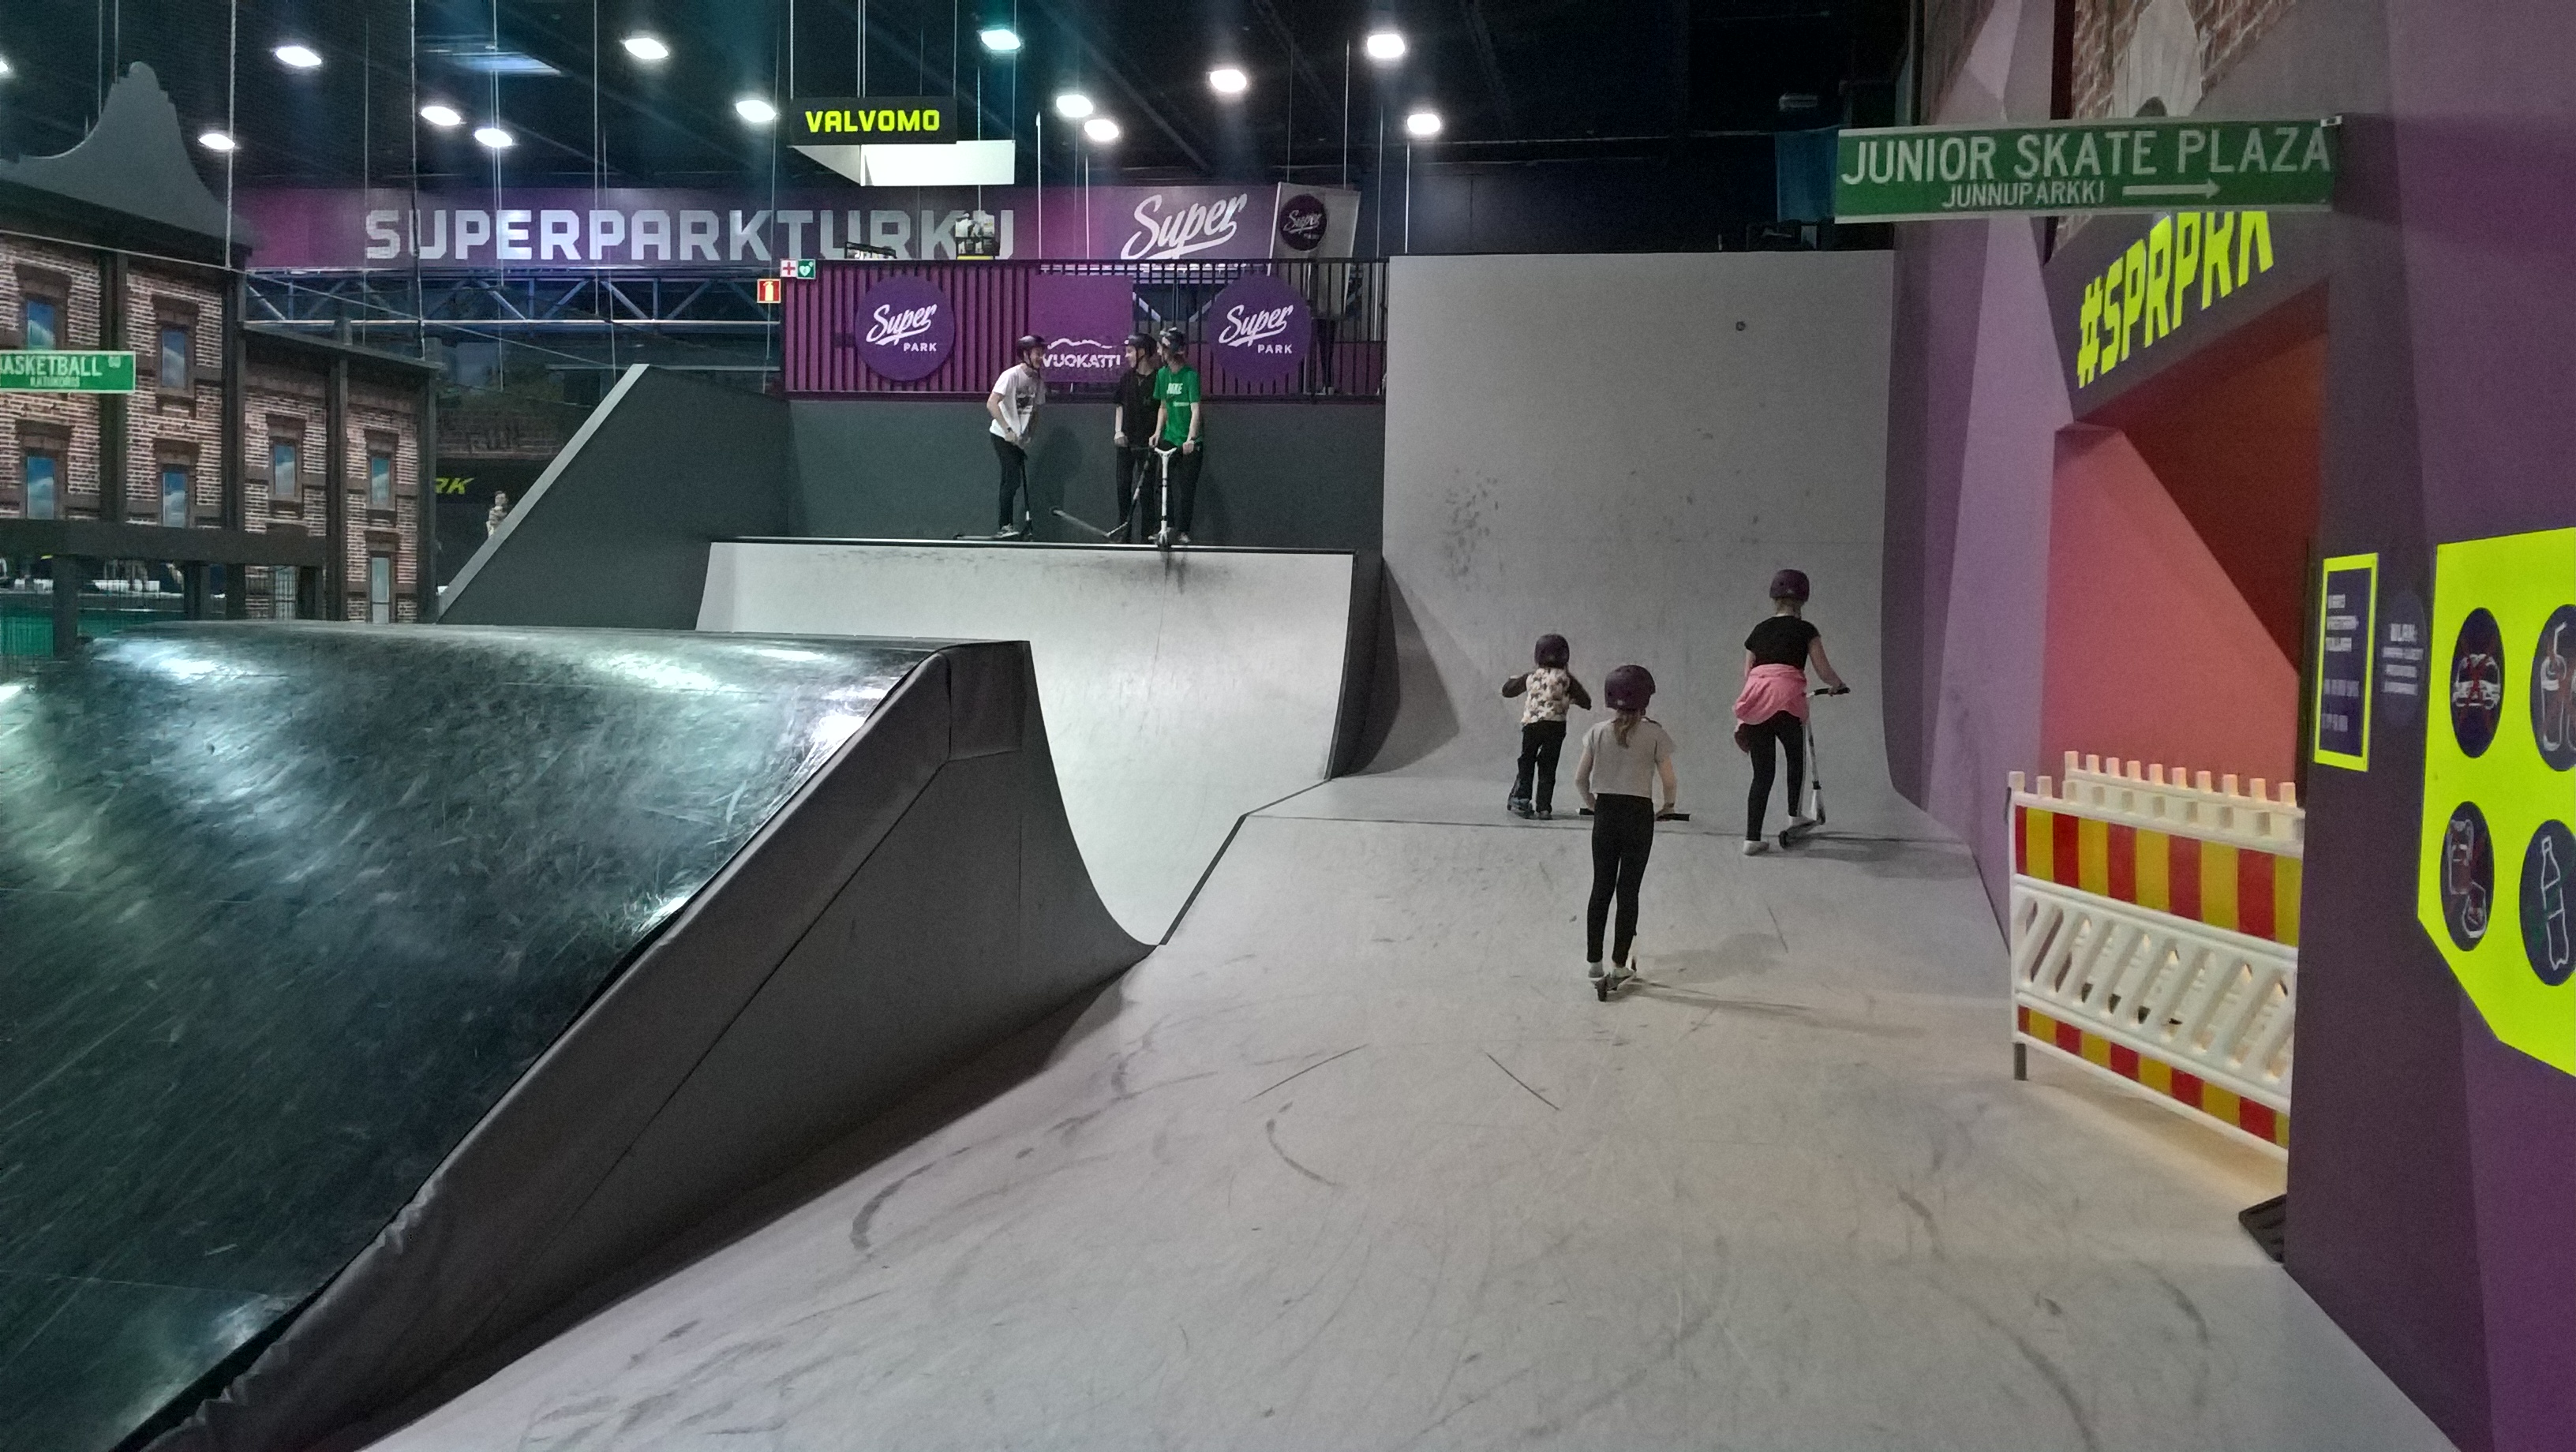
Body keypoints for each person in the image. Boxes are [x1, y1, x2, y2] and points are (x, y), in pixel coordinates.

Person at [1574, 664, 1678, 987]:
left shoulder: (1596, 732)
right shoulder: (1655, 734)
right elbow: (1669, 780)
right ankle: (1620, 964)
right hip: (1638, 815)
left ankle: (1594, 962)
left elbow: (1580, 779)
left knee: (1601, 887)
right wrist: (1668, 806)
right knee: (1628, 890)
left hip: (1606, 813)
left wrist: (1594, 805)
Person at [1733, 568, 1849, 855]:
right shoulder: (1806, 630)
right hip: (1787, 699)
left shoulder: (1758, 630)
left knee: (1762, 774)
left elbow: (1748, 672)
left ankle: (1751, 838)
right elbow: (1823, 669)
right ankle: (1794, 815)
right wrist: (1837, 685)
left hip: (1757, 700)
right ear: (1803, 599)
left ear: (1774, 598)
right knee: (1796, 759)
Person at [1501, 633, 1592, 819]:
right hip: (1556, 727)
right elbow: (1586, 701)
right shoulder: (1567, 679)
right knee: (1548, 766)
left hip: (1532, 725)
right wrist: (1572, 699)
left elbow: (1507, 691)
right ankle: (1544, 807)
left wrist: (1512, 679)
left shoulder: (1532, 676)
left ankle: (1523, 797)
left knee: (1527, 761)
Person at [986, 334, 1045, 537]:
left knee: (1012, 480)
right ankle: (1005, 526)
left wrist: (1029, 436)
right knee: (1011, 479)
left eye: (1042, 354)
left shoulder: (1037, 380)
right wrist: (1008, 430)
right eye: (1038, 353)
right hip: (1002, 435)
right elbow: (992, 403)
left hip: (1018, 438)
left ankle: (1007, 526)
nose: (1041, 358)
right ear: (1026, 354)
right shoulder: (1010, 376)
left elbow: (1035, 411)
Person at [1150, 326, 1203, 545]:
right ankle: (1167, 525)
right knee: (1160, 483)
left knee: (1186, 488)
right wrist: (1157, 432)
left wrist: (1191, 438)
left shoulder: (1190, 376)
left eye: (1162, 348)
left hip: (1189, 441)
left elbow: (1195, 410)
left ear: (1170, 350)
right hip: (1170, 438)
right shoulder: (1162, 375)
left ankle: (1183, 531)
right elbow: (1163, 407)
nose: (1159, 352)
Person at [1110, 332, 1162, 542]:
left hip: (1147, 444)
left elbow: (1163, 409)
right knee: (1123, 488)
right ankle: (1124, 533)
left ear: (1142, 352)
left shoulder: (1158, 378)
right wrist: (1118, 431)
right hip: (1126, 443)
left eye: (1130, 351)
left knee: (1146, 491)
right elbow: (1119, 406)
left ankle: (1146, 535)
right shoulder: (1126, 378)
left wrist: (1156, 435)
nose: (1126, 356)